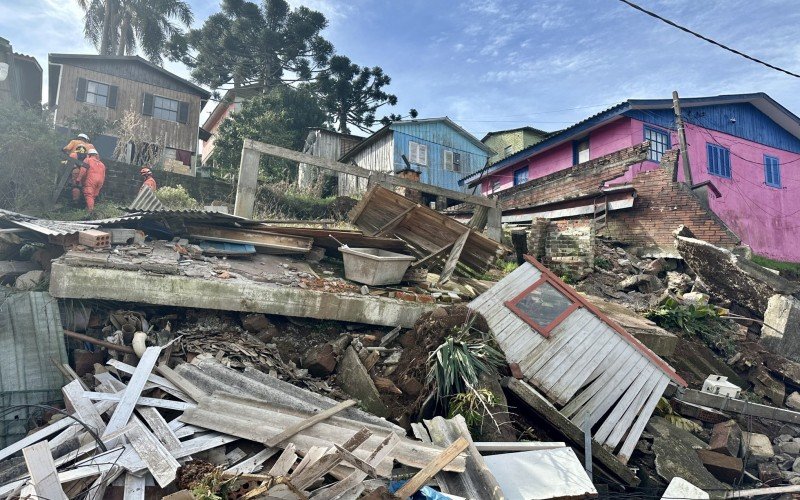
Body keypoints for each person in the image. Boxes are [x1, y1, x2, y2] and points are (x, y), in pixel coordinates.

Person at [82, 149, 106, 214]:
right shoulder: (102, 164)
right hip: (100, 182)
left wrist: (78, 179)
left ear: (89, 155)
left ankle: (90, 212)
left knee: (89, 195)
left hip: (91, 180)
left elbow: (83, 171)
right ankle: (88, 209)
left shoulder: (87, 160)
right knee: (93, 196)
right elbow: (103, 176)